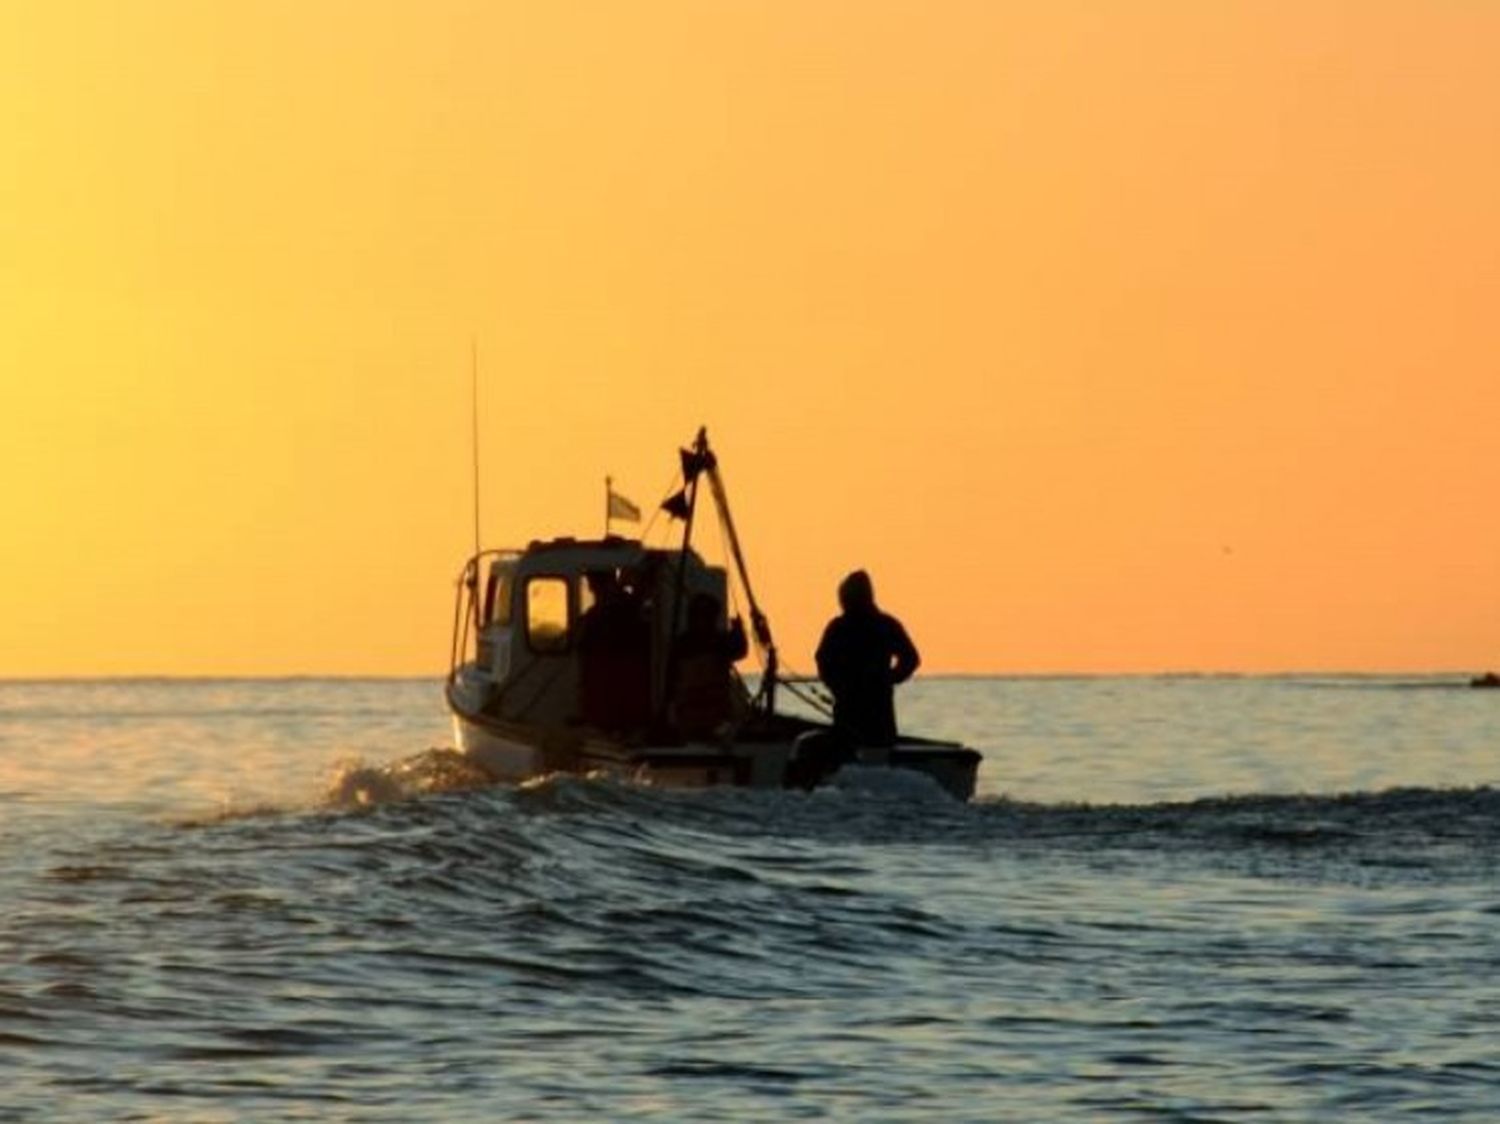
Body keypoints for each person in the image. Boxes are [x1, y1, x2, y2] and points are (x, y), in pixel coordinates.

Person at [814, 570, 920, 748]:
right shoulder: (840, 627)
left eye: (844, 598)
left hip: (875, 708)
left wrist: (888, 678)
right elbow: (823, 660)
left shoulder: (882, 625)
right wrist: (837, 686)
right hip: (850, 706)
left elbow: (910, 659)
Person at [669, 592, 748, 739]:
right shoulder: (715, 642)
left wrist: (738, 631)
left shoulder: (683, 643)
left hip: (707, 714)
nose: (703, 621)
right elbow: (739, 650)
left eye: (706, 616)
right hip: (697, 715)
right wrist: (738, 631)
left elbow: (739, 650)